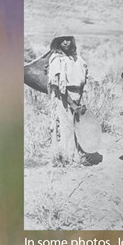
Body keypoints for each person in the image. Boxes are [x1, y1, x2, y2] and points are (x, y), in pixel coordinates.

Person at [45, 35, 89, 164]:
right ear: (58, 42)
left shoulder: (78, 59)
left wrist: (82, 100)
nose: (66, 42)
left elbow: (84, 81)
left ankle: (77, 154)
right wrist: (71, 103)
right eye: (62, 39)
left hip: (78, 95)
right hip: (63, 97)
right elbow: (58, 86)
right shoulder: (56, 60)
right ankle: (66, 158)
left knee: (78, 126)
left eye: (68, 39)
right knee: (66, 127)